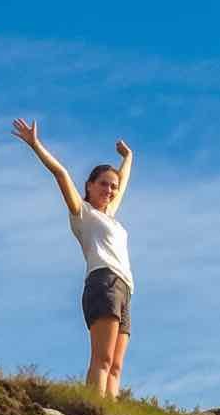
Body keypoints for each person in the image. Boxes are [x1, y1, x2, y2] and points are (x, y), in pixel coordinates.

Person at [11, 117, 134, 398]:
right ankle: (95, 411)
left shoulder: (110, 215)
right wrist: (35, 144)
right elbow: (60, 173)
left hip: (125, 287)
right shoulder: (83, 213)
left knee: (116, 366)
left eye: (113, 187)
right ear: (89, 186)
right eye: (103, 184)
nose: (109, 190)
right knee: (102, 359)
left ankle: (112, 413)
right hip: (103, 282)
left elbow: (123, 181)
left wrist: (128, 157)